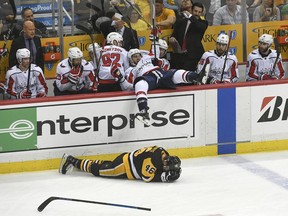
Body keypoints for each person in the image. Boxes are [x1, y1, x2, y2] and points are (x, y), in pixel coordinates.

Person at [59, 145, 182, 183]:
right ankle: (72, 161)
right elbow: (146, 177)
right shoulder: (154, 161)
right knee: (99, 170)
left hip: (126, 158)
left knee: (105, 165)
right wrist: (163, 177)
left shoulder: (162, 152)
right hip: (123, 168)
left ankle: (78, 162)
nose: (166, 169)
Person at [169, 2, 208, 71]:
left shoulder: (203, 23)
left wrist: (190, 16)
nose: (197, 14)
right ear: (192, 10)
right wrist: (172, 39)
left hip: (193, 56)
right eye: (195, 11)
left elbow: (197, 26)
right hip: (179, 55)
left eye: (199, 12)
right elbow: (174, 34)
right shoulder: (181, 22)